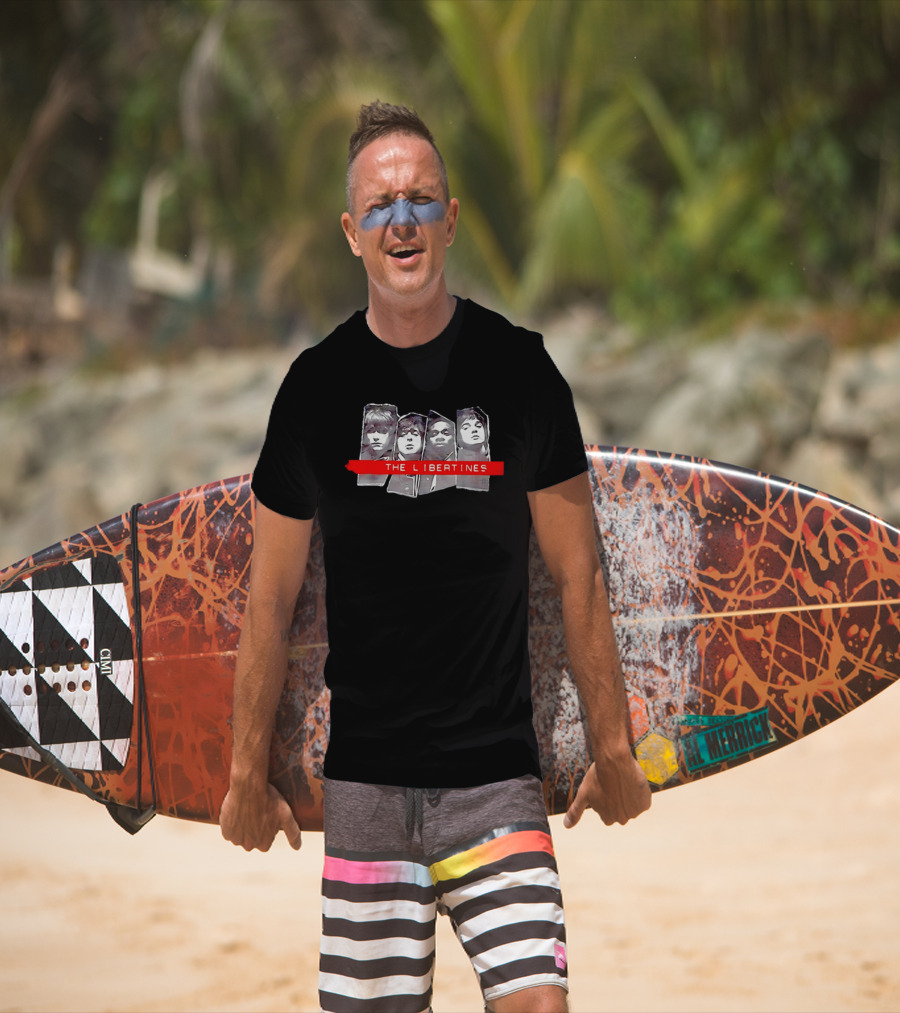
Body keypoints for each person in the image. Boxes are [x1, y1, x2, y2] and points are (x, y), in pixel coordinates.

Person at [220, 100, 651, 1013]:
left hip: (496, 781)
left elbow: (579, 575)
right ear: (351, 233)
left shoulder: (522, 372)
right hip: (367, 788)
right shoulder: (314, 390)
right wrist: (242, 772)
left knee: (540, 1003)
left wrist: (612, 746)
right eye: (380, 206)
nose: (402, 220)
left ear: (451, 219)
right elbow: (270, 600)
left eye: (421, 200)